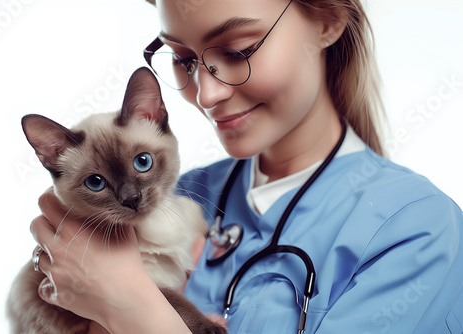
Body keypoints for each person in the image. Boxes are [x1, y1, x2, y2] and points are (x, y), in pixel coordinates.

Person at [30, 0, 463, 333]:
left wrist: (128, 302)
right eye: (184, 60)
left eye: (239, 50)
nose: (206, 94)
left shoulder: (418, 229)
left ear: (328, 21)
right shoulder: (181, 192)